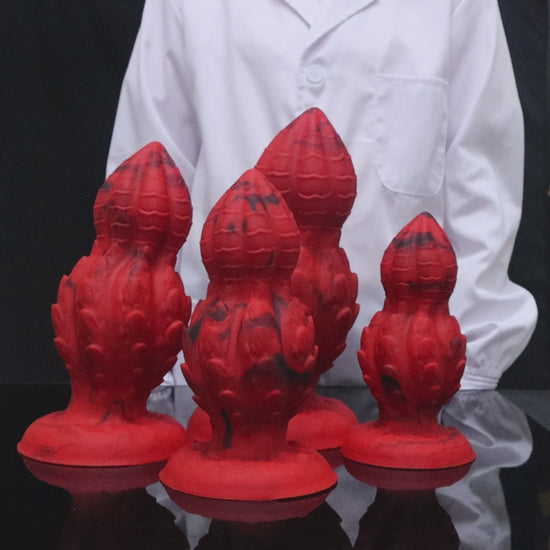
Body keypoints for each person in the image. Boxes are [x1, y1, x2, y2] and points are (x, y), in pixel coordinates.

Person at [107, 0, 537, 390]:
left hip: (405, 378)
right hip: (213, 369)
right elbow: (146, 183)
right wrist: (158, 370)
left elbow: (481, 188)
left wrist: (464, 376)